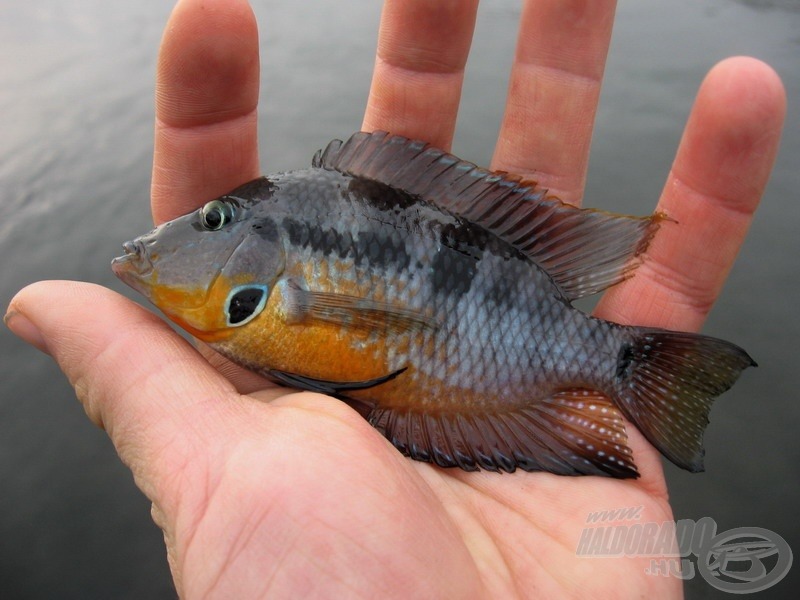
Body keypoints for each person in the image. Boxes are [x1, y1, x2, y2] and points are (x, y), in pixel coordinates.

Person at [4, 0, 785, 597]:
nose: (170, 238)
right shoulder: (259, 308)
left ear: (255, 240)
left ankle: (627, 367)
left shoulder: (282, 287)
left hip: (504, 368)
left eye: (217, 219)